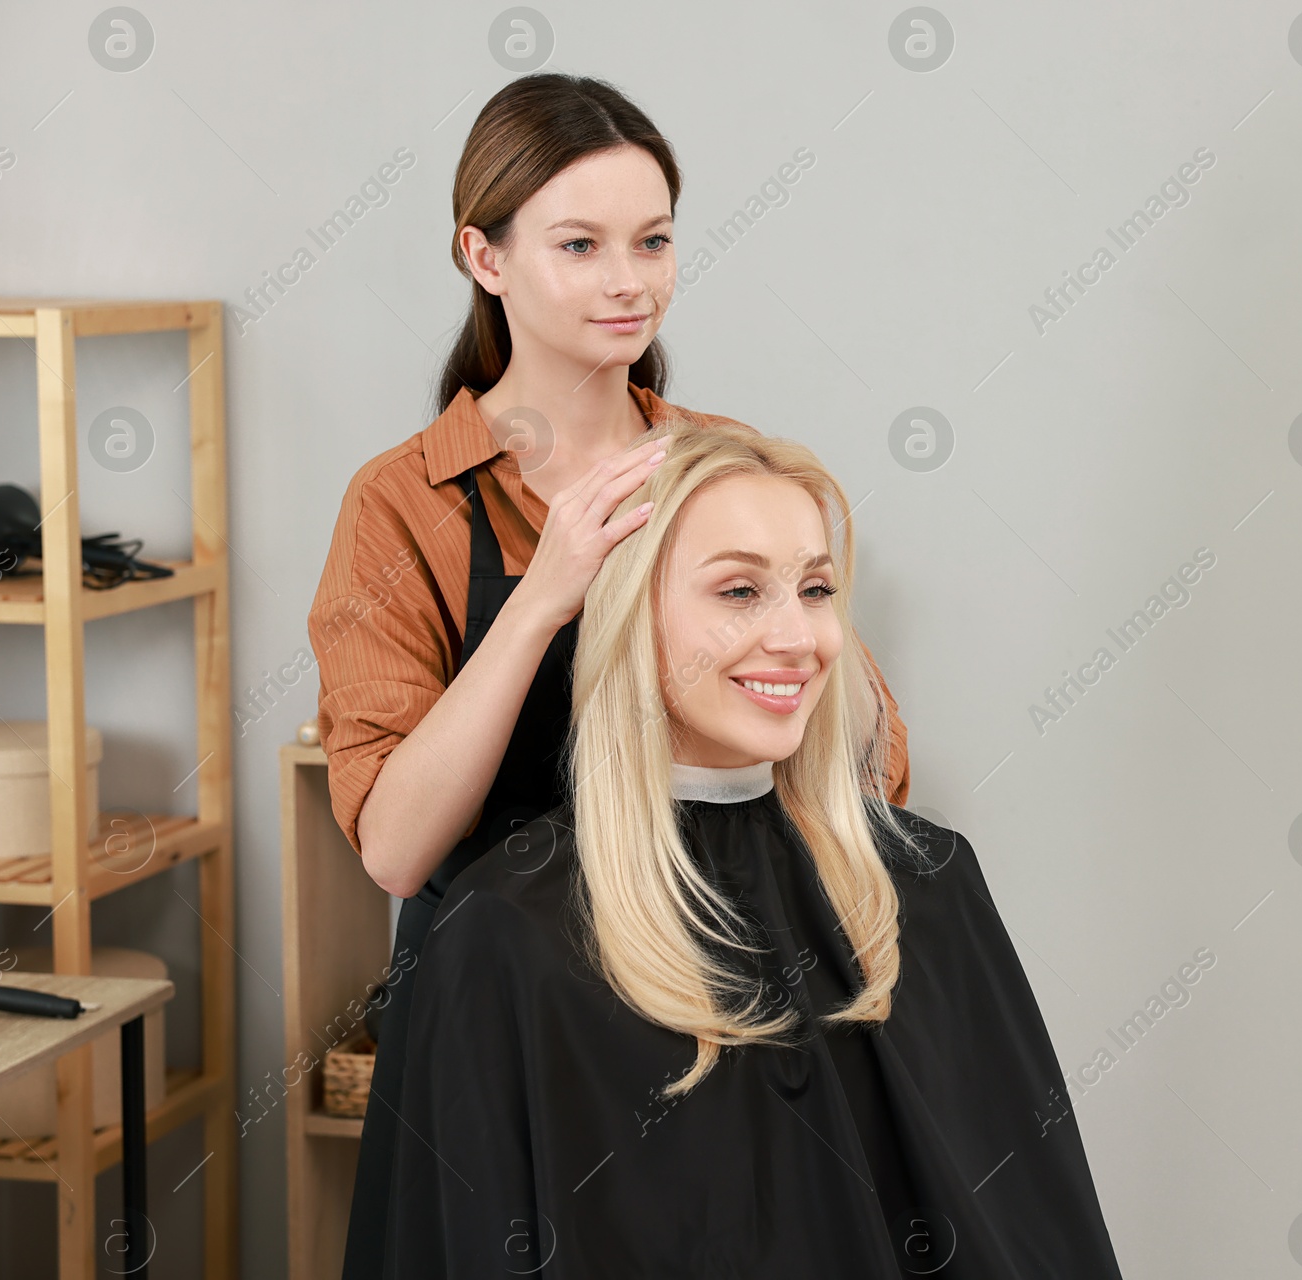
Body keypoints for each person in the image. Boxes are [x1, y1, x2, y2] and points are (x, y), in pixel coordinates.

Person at [307, 73, 913, 1280]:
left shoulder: (715, 466)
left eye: (652, 241)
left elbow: (879, 759)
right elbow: (394, 848)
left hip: (711, 972)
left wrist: (764, 606)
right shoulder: (401, 504)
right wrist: (547, 595)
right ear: (484, 257)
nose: (627, 280)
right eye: (579, 245)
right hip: (508, 1009)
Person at [387, 419, 1125, 1278]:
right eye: (739, 591)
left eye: (815, 590)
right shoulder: (511, 935)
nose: (798, 639)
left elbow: (1034, 1232)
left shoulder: (928, 888)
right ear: (631, 611)